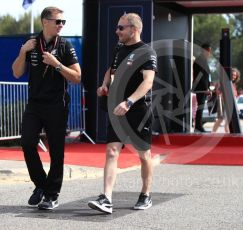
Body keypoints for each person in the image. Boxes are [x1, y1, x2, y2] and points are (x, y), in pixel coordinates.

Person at [11, 7, 81, 210]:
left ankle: (52, 195)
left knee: (56, 152)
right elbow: (16, 73)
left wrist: (57, 64)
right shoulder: (31, 43)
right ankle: (41, 185)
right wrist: (22, 51)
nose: (61, 25)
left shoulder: (66, 45)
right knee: (27, 142)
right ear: (45, 22)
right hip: (34, 104)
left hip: (57, 105)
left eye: (63, 22)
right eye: (58, 21)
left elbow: (77, 77)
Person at [88, 13, 157, 214]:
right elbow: (111, 69)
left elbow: (148, 82)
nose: (116, 31)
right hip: (117, 109)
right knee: (111, 151)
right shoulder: (119, 48)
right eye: (117, 27)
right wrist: (104, 85)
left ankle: (145, 194)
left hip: (138, 110)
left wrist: (129, 101)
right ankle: (106, 198)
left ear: (133, 29)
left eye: (121, 28)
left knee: (144, 156)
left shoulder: (147, 52)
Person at [212, 67, 240, 133]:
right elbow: (218, 92)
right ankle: (213, 133)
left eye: (235, 75)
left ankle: (228, 136)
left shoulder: (233, 84)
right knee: (220, 119)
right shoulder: (223, 83)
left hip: (232, 105)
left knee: (228, 122)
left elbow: (234, 97)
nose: (234, 76)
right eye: (232, 75)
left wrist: (236, 107)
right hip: (224, 104)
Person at [193, 43, 211, 132]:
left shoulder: (203, 60)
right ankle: (198, 126)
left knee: (200, 107)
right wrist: (205, 89)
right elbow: (201, 76)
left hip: (203, 88)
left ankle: (198, 126)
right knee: (200, 107)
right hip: (201, 88)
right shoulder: (200, 60)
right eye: (208, 50)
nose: (209, 53)